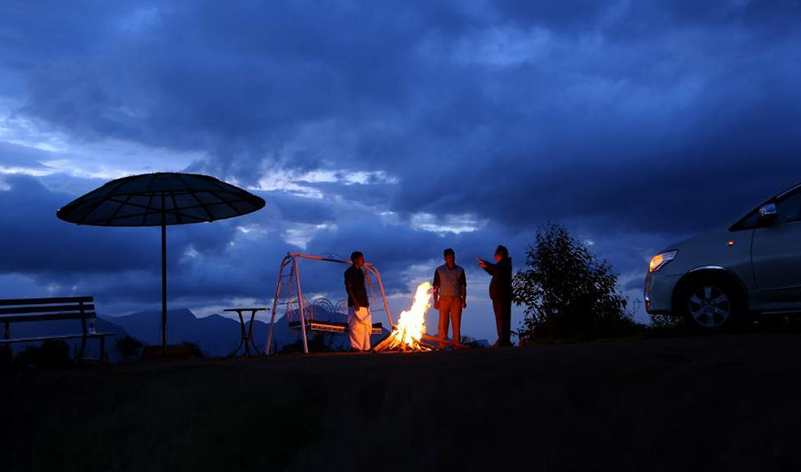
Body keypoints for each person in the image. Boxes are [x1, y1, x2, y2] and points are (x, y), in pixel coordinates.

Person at [477, 245, 513, 347]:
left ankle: (503, 340)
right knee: (502, 317)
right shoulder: (503, 265)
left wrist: (486, 263)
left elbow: (496, 270)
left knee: (501, 317)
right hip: (501, 295)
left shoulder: (504, 264)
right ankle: (503, 339)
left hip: (501, 295)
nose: (494, 256)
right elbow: (495, 272)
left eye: (495, 254)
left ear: (500, 254)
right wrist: (485, 267)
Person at [433, 248, 467, 347]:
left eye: (452, 256)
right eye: (448, 257)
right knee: (443, 323)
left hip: (456, 299)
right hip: (444, 299)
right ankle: (442, 345)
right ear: (445, 258)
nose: (451, 258)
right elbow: (435, 287)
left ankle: (456, 345)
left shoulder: (460, 270)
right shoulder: (439, 270)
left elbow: (463, 287)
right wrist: (435, 300)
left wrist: (463, 300)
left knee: (456, 324)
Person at [345, 251, 372, 351]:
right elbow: (348, 288)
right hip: (355, 302)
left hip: (363, 302)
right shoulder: (349, 272)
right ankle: (356, 347)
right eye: (361, 258)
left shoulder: (360, 272)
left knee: (366, 326)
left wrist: (366, 302)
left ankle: (366, 346)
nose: (363, 260)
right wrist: (355, 302)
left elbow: (362, 287)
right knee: (356, 326)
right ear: (355, 260)